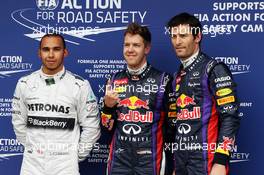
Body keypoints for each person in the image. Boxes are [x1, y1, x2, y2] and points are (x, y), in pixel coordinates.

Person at [12, 33, 101, 175]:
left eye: (56, 49)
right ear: (39, 53)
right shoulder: (25, 83)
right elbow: (19, 123)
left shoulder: (79, 85)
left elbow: (92, 127)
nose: (51, 54)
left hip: (65, 167)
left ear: (65, 52)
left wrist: (73, 156)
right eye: (46, 49)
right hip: (31, 165)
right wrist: (33, 149)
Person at [166, 13, 240, 175]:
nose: (177, 41)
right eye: (173, 36)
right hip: (182, 164)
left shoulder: (213, 69)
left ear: (197, 36)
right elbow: (176, 125)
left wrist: (221, 161)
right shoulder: (177, 77)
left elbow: (230, 117)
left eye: (183, 35)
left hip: (208, 163)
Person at [101, 23, 171, 175]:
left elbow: (173, 127)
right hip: (119, 160)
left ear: (146, 48)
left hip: (150, 161)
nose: (130, 50)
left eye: (136, 45)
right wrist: (107, 107)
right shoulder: (113, 80)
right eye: (127, 45)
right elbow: (106, 127)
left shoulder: (163, 80)